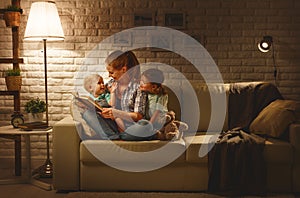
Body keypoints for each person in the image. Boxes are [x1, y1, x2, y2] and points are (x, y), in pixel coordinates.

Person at [82, 50, 147, 139]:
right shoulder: (110, 84)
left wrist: (116, 113)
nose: (109, 75)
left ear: (124, 70)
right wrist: (88, 104)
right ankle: (113, 137)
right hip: (113, 126)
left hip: (131, 127)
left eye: (111, 72)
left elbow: (138, 116)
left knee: (144, 126)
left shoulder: (138, 87)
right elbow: (97, 94)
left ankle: (122, 136)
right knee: (88, 113)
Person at [119, 68, 169, 141]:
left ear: (154, 87)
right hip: (146, 121)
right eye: (140, 81)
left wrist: (150, 125)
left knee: (143, 127)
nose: (140, 83)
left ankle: (155, 134)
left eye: (143, 82)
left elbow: (157, 112)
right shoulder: (145, 93)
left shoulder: (161, 96)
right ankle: (130, 134)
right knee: (141, 124)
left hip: (157, 122)